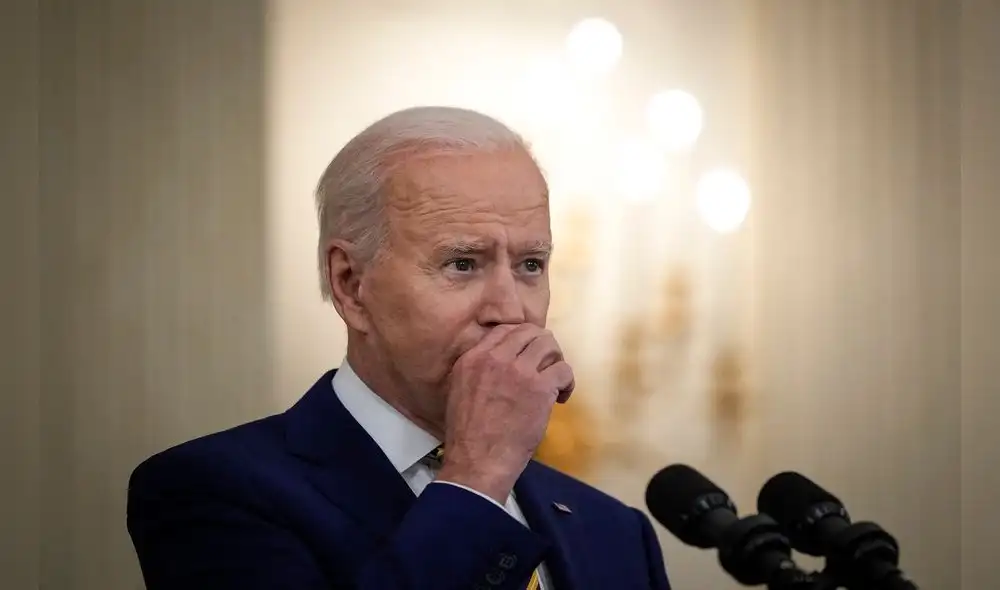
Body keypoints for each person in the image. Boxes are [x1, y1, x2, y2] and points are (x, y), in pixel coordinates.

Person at [126, 106, 672, 590]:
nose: (510, 309)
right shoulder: (213, 490)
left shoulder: (613, 530)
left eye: (531, 265)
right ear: (351, 285)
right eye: (463, 264)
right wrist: (477, 477)